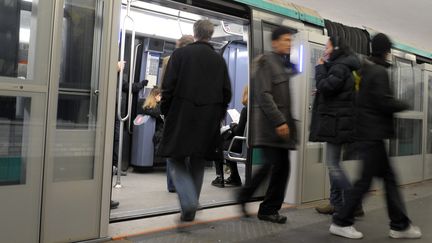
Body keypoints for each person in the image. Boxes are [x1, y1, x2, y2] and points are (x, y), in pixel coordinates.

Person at [330, 33, 422, 239]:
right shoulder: (378, 72)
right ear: (386, 51)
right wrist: (404, 103)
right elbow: (383, 102)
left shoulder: (367, 70)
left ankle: (399, 225)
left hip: (369, 134)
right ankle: (341, 221)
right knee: (366, 182)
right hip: (372, 135)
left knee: (387, 179)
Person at [159, 20, 232, 222]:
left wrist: (166, 111)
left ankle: (189, 201)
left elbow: (168, 87)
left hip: (182, 115)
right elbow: (227, 92)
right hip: (208, 119)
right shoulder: (219, 60)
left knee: (175, 157)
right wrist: (218, 114)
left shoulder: (180, 55)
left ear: (195, 33)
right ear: (211, 34)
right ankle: (189, 211)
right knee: (198, 160)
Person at [237, 27, 297, 224]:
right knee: (277, 166)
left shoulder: (281, 63)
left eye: (290, 40)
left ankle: (251, 199)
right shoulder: (266, 62)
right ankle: (266, 208)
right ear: (275, 42)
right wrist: (279, 120)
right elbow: (264, 95)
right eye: (286, 40)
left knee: (276, 167)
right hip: (271, 126)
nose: (290, 43)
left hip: (279, 128)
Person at [309, 36, 364, 217]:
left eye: (327, 46)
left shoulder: (340, 66)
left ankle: (352, 202)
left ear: (335, 48)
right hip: (338, 121)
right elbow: (335, 89)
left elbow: (326, 85)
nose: (325, 49)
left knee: (333, 164)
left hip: (336, 122)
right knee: (334, 163)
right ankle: (336, 203)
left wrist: (319, 68)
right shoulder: (343, 65)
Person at [111, 61, 147, 209]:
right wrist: (116, 69)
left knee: (117, 140)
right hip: (111, 114)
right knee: (114, 140)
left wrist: (141, 84)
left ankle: (114, 164)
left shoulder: (119, 78)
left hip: (115, 114)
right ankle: (113, 165)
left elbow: (129, 87)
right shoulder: (110, 74)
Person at [212, 85, 248, 188]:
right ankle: (234, 177)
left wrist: (233, 126)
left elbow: (239, 132)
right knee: (226, 143)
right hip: (246, 143)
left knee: (218, 145)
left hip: (240, 144)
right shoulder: (255, 110)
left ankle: (220, 178)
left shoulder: (246, 110)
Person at [142, 87, 175, 193]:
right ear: (155, 96)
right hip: (161, 134)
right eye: (159, 95)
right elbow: (156, 113)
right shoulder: (152, 107)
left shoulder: (161, 107)